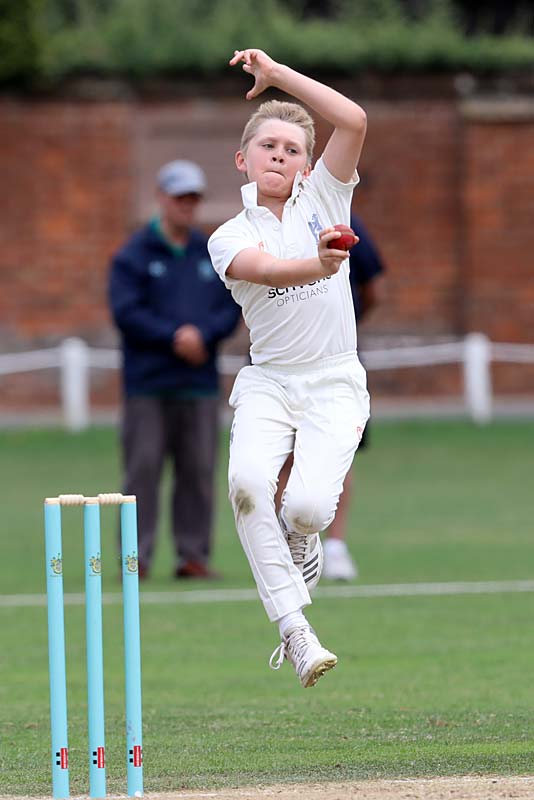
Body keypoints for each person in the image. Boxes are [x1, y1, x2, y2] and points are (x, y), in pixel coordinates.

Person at [208, 49, 369, 688]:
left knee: (304, 508)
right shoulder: (226, 235)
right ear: (243, 160)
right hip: (269, 381)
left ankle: (303, 538)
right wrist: (320, 266)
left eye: (293, 148)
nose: (280, 154)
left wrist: (277, 78)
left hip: (334, 379)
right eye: (267, 145)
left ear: (308, 163)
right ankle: (296, 633)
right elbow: (267, 272)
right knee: (248, 486)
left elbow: (352, 120)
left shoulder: (327, 195)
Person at [109, 159, 242, 581]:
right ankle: (137, 558)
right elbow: (127, 312)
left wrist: (202, 336)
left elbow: (230, 306)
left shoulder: (210, 250)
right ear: (162, 198)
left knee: (198, 472)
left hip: (199, 383)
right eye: (180, 197)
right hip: (148, 384)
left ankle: (193, 555)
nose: (187, 205)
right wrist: (174, 336)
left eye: (194, 198)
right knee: (142, 471)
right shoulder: (133, 255)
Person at [276, 212, 385, 581]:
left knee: (340, 451)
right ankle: (288, 547)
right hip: (282, 360)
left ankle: (335, 547)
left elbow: (372, 288)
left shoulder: (342, 219)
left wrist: (342, 328)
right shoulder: (265, 226)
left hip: (335, 358)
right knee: (284, 455)